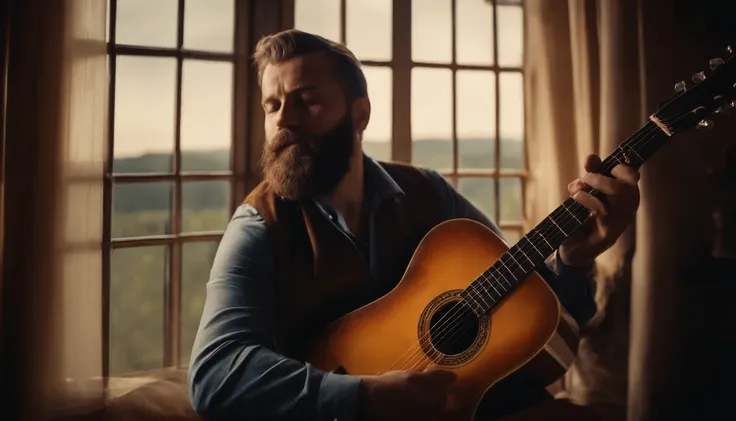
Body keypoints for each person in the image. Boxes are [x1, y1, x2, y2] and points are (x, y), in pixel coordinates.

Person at [187, 29, 641, 421]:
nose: (284, 119)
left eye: (306, 100)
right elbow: (214, 373)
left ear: (359, 114)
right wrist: (362, 395)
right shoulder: (258, 224)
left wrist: (574, 257)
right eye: (272, 105)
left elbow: (528, 310)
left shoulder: (429, 193)